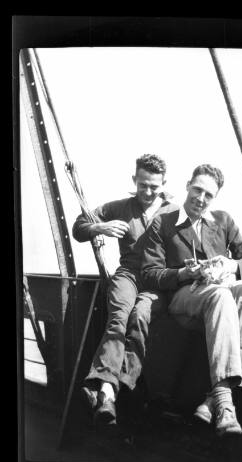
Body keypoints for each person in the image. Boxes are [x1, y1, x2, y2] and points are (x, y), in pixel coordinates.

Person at [141, 164, 242, 437]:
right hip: (184, 300)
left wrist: (230, 266)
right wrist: (184, 272)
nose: (201, 198)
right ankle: (225, 402)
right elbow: (149, 274)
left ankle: (215, 398)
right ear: (187, 185)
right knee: (221, 295)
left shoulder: (223, 221)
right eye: (197, 189)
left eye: (209, 194)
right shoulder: (164, 223)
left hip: (219, 297)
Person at [72, 154, 178, 427]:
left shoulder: (175, 212)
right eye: (142, 184)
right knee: (118, 317)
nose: (147, 191)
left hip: (157, 281)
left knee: (140, 317)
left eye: (154, 186)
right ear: (135, 180)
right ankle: (108, 391)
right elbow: (78, 227)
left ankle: (109, 389)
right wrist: (100, 227)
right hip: (128, 275)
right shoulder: (120, 207)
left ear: (164, 183)